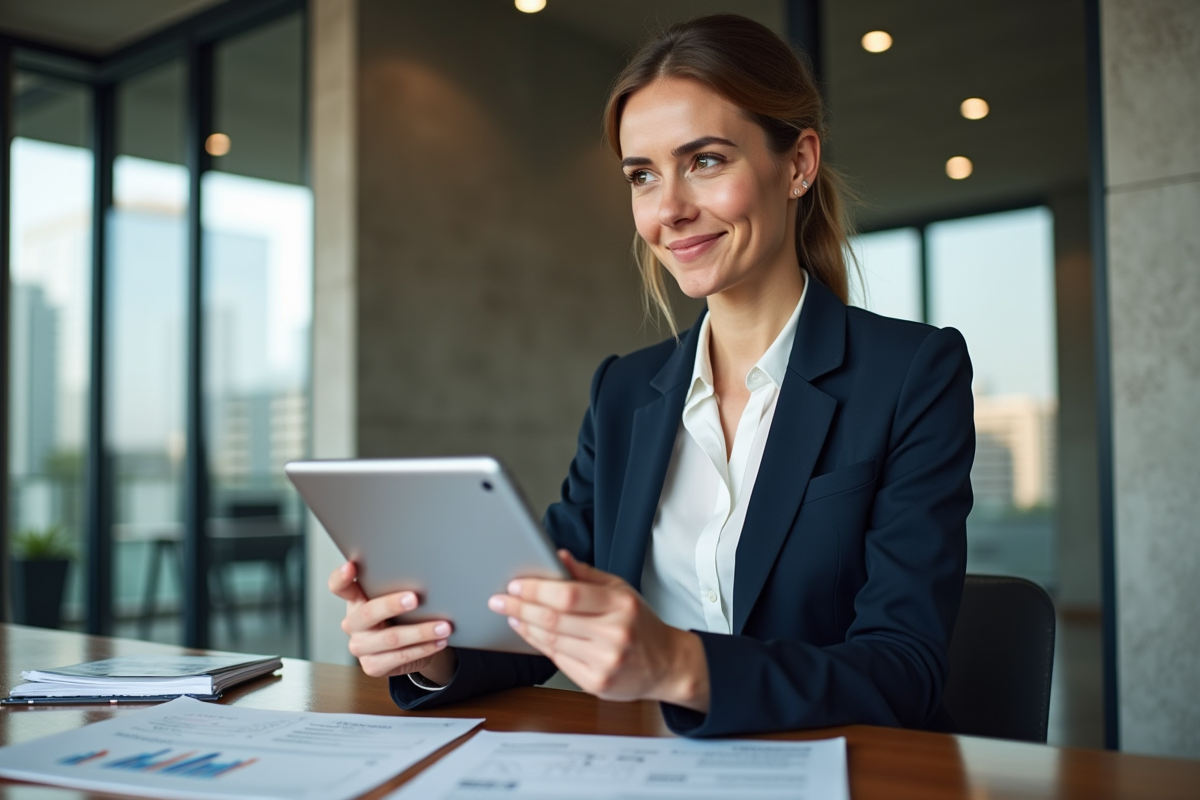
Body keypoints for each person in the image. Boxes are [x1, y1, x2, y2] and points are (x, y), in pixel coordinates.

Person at [328, 14, 974, 738]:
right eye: (643, 175)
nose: (669, 209)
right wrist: (430, 648)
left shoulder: (912, 374)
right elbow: (543, 613)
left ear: (798, 165)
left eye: (705, 161)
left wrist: (680, 665)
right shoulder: (625, 393)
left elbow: (905, 669)